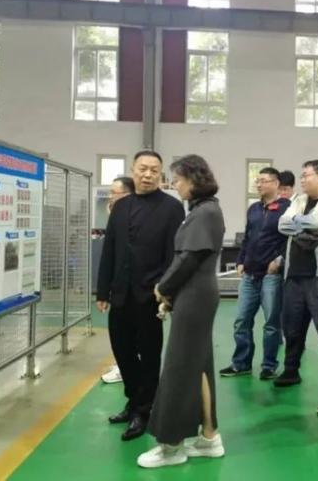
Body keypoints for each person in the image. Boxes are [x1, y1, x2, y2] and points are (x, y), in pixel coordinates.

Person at [139, 155, 226, 469]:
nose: (174, 185)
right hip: (196, 294)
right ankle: (210, 436)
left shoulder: (205, 212)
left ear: (193, 179)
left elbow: (188, 258)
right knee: (198, 365)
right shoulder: (204, 210)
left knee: (178, 367)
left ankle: (171, 445)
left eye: (177, 180)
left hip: (195, 295)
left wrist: (163, 287)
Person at [96, 151, 185, 442]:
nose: (147, 175)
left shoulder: (172, 208)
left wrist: (166, 291)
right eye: (143, 169)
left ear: (161, 174)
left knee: (148, 355)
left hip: (150, 295)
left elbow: (173, 255)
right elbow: (109, 249)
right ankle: (134, 400)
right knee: (122, 351)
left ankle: (144, 411)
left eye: (154, 170)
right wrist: (103, 289)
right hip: (120, 294)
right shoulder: (121, 206)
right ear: (133, 170)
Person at [274, 160, 318, 387]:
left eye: (306, 175)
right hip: (294, 275)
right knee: (292, 327)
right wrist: (305, 225)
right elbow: (281, 224)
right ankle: (291, 370)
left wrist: (297, 222)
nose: (302, 179)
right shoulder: (298, 200)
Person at [220, 168, 290, 380]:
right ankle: (241, 363)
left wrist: (279, 260)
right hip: (249, 274)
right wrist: (241, 260)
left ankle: (269, 365)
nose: (259, 184)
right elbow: (248, 238)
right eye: (257, 181)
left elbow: (290, 239)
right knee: (241, 321)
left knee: (271, 324)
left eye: (264, 181)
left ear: (276, 184)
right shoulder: (254, 209)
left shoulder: (286, 208)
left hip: (271, 276)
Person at [100, 176, 135, 386]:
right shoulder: (116, 214)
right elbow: (109, 254)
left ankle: (126, 368)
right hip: (119, 287)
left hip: (134, 287)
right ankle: (123, 365)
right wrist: (104, 291)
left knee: (131, 332)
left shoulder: (132, 217)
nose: (110, 197)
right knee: (120, 333)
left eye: (114, 193)